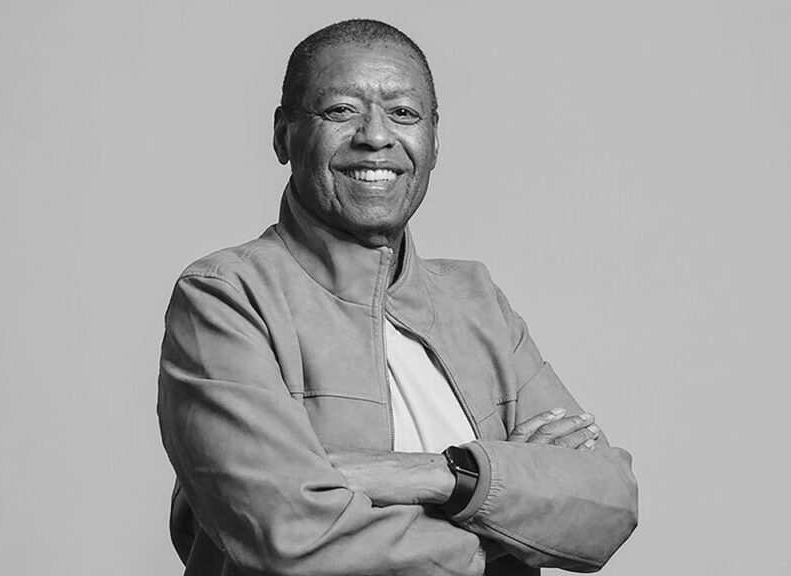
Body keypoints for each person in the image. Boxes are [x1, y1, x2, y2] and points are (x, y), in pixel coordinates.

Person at [158, 19, 638, 576]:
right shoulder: (226, 297)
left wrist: (434, 475)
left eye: (404, 113)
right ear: (284, 135)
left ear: (434, 141)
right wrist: (510, 521)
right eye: (340, 110)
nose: (375, 136)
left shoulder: (475, 300)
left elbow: (607, 503)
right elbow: (286, 532)